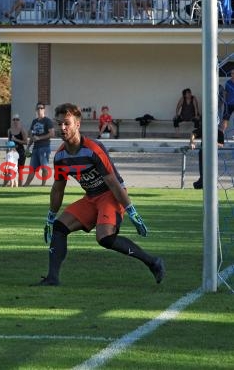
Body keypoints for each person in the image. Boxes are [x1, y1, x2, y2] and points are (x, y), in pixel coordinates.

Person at [31, 102, 165, 286]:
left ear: (77, 125)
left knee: (104, 238)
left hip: (111, 195)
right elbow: (58, 189)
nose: (62, 128)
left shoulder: (93, 149)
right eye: (59, 123)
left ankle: (153, 262)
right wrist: (50, 217)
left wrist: (132, 211)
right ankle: (52, 278)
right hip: (92, 197)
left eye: (67, 123)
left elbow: (113, 183)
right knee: (60, 227)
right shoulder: (61, 156)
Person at [23, 102, 55, 187]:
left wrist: (40, 138)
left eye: (41, 108)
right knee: (32, 168)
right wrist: (28, 147)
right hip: (35, 148)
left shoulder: (47, 121)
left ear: (44, 109)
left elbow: (52, 134)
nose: (39, 110)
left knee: (44, 168)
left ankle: (43, 186)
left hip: (44, 147)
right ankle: (26, 185)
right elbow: (32, 136)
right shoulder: (34, 121)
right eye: (38, 108)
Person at [7, 114, 28, 184]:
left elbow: (26, 142)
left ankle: (20, 185)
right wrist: (8, 151)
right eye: (14, 119)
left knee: (20, 170)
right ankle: (11, 184)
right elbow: (8, 142)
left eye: (17, 119)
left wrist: (16, 140)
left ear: (19, 121)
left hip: (20, 152)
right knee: (10, 168)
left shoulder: (22, 130)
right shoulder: (9, 130)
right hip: (12, 153)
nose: (15, 121)